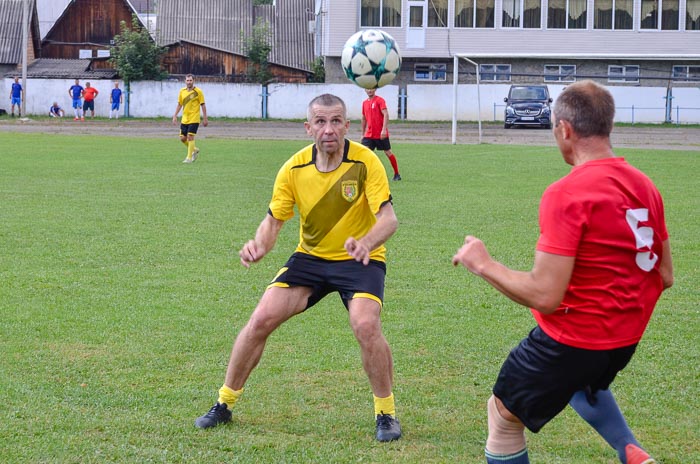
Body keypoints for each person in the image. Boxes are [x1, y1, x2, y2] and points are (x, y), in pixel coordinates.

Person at [451, 80, 673, 464]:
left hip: (573, 339)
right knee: (581, 383)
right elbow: (665, 274)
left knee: (503, 416)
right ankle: (632, 453)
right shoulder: (645, 185)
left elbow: (545, 295)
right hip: (623, 340)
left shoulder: (567, 192)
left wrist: (483, 263)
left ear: (565, 129)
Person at [194, 93, 402, 443]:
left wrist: (365, 242)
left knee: (365, 323)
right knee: (260, 319)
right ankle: (224, 404)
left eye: (336, 121)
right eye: (320, 122)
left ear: (347, 126)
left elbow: (389, 219)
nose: (329, 129)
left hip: (359, 258)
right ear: (308, 128)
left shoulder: (366, 162)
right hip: (311, 257)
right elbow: (274, 221)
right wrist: (259, 245)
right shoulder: (293, 168)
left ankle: (386, 413)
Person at [361, 88, 401, 181]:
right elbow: (363, 118)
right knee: (364, 154)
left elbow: (386, 114)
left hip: (380, 134)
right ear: (365, 90)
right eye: (367, 89)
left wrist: (383, 130)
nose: (369, 90)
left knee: (388, 152)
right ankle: (365, 175)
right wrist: (363, 133)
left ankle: (397, 174)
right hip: (369, 134)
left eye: (371, 88)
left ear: (375, 89)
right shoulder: (364, 103)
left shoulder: (380, 100)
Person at [172, 74, 208, 163]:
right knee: (182, 138)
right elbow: (180, 104)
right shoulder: (182, 91)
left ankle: (189, 158)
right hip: (185, 118)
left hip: (194, 118)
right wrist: (175, 115)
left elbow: (202, 104)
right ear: (185, 81)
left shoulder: (198, 92)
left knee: (190, 136)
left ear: (193, 81)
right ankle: (194, 149)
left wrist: (205, 118)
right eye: (187, 80)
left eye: (190, 80)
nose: (189, 82)